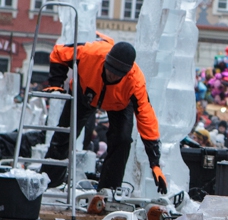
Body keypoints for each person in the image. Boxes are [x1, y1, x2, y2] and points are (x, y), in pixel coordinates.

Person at [40, 35, 167, 194]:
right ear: (106, 60)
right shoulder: (90, 53)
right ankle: (49, 183)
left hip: (119, 103)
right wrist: (56, 83)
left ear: (127, 72)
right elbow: (59, 52)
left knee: (122, 140)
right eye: (110, 69)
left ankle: (108, 189)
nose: (112, 75)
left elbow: (147, 120)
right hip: (85, 91)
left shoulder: (135, 83)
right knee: (64, 133)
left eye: (118, 73)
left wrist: (155, 163)